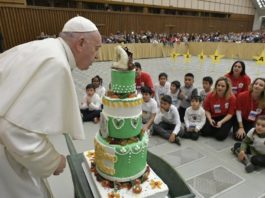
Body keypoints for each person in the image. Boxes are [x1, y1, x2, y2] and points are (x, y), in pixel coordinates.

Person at [0, 16, 102, 198]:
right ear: (80, 43)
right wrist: (53, 161)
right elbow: (14, 130)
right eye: (96, 48)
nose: (98, 55)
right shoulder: (56, 63)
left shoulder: (46, 48)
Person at [201, 77, 236, 141]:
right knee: (204, 132)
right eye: (218, 85)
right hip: (213, 115)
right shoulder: (210, 95)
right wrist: (210, 119)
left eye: (223, 86)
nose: (220, 87)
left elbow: (230, 114)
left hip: (225, 117)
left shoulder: (232, 97)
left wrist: (221, 122)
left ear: (227, 88)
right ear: (216, 85)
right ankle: (216, 128)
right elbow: (207, 110)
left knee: (220, 137)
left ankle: (219, 128)